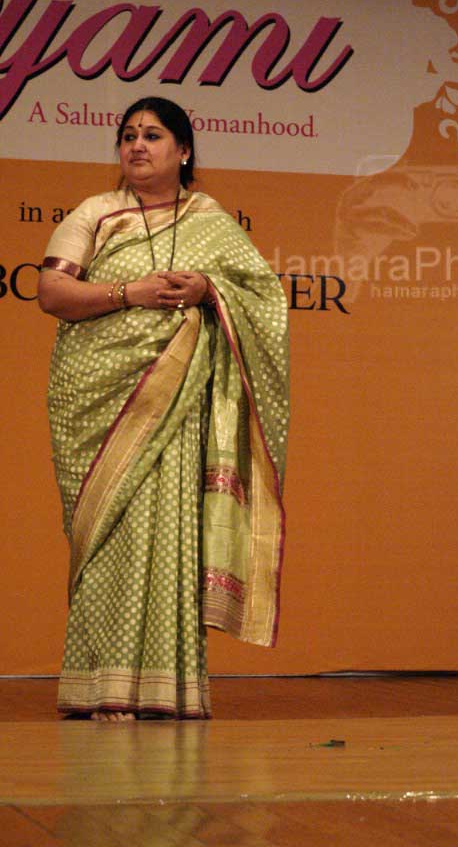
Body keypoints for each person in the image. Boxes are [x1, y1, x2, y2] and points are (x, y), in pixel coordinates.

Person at [38, 96, 289, 721]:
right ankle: (98, 686)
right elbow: (52, 290)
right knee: (108, 535)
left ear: (184, 151)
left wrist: (209, 289)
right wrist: (131, 292)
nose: (137, 146)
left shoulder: (212, 222)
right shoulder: (96, 214)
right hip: (101, 397)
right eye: (127, 135)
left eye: (152, 135)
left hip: (174, 403)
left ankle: (161, 689)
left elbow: (264, 299)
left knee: (169, 532)